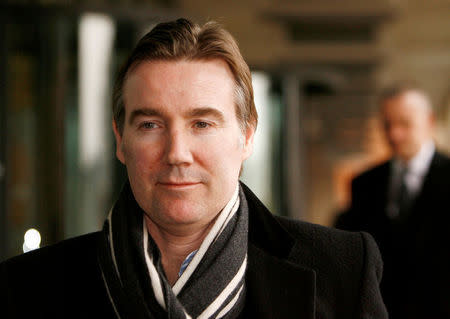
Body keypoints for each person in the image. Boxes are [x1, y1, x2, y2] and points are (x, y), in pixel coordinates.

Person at [1, 18, 387, 318]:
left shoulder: (342, 270)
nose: (177, 153)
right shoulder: (28, 287)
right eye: (150, 125)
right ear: (120, 140)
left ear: (247, 136)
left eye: (202, 124)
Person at [336, 85, 450, 318]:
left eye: (405, 124)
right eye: (388, 125)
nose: (394, 134)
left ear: (429, 121)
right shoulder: (363, 183)